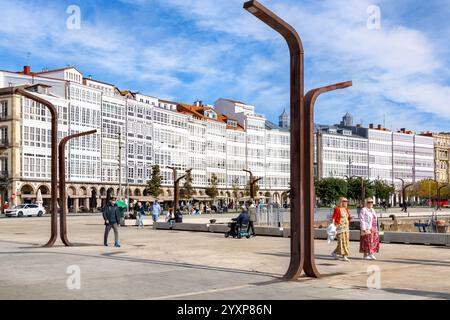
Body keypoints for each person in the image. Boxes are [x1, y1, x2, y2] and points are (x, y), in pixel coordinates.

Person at [331, 197, 352, 262]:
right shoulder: (337, 209)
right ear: (341, 201)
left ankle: (334, 253)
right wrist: (333, 226)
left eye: (346, 201)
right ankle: (344, 256)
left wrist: (350, 218)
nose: (346, 202)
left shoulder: (346, 209)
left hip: (346, 228)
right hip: (339, 228)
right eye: (344, 201)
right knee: (341, 242)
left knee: (346, 242)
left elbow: (348, 217)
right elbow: (334, 218)